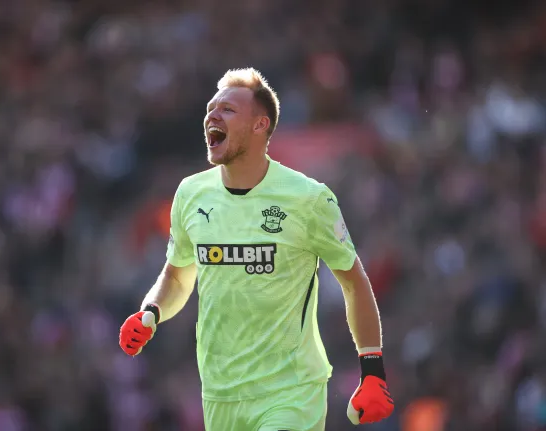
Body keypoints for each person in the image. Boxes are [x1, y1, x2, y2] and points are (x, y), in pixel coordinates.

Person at [119, 68, 394, 430]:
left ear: (260, 125)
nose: (212, 115)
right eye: (211, 108)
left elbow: (354, 282)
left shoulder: (308, 198)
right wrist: (150, 311)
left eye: (228, 110)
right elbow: (178, 273)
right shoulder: (189, 194)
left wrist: (372, 370)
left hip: (291, 392)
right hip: (221, 395)